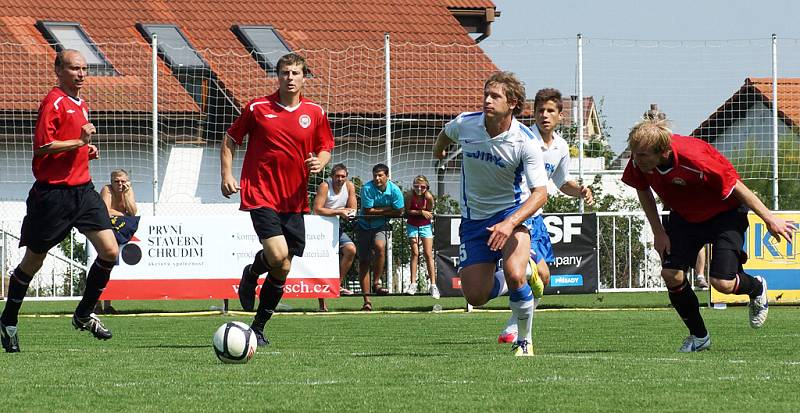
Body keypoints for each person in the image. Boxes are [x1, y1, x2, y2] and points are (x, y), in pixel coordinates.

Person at [622, 117, 794, 352]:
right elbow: (643, 190)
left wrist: (769, 218)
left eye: (642, 154)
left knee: (722, 283)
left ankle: (756, 288)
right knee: (671, 275)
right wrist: (658, 231)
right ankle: (699, 337)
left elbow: (737, 187)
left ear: (662, 152)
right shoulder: (638, 162)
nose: (635, 159)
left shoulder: (696, 157)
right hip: (685, 217)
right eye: (634, 153)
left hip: (725, 214)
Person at [1, 49, 118, 353]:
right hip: (53, 196)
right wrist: (80, 142)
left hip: (83, 191)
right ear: (59, 71)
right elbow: (41, 147)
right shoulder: (52, 102)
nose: (82, 74)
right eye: (75, 68)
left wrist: (86, 150)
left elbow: (71, 145)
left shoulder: (81, 104)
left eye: (84, 68)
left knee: (110, 250)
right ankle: (9, 319)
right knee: (33, 262)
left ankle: (83, 313)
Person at [220, 52, 334, 346]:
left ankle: (257, 327)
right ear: (277, 76)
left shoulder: (316, 112)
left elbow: (325, 148)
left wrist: (321, 162)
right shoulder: (258, 108)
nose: (290, 78)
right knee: (278, 254)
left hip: (294, 199)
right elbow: (231, 138)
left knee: (283, 266)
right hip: (260, 193)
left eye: (296, 73)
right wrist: (227, 175)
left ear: (304, 77)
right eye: (285, 73)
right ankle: (251, 273)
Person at [433, 71, 549, 356]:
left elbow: (540, 193)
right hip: (474, 220)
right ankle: (521, 273)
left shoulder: (525, 141)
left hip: (512, 215)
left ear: (512, 103)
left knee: (514, 274)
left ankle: (524, 340)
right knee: (475, 295)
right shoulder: (466, 124)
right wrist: (438, 153)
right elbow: (445, 135)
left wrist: (509, 224)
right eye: (486, 94)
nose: (487, 100)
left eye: (495, 96)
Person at [496, 88, 595, 343]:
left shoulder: (561, 146)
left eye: (551, 111)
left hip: (536, 218)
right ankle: (513, 320)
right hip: (516, 214)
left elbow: (562, 183)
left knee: (544, 277)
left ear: (560, 116)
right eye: (540, 110)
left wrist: (581, 190)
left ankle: (513, 323)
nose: (545, 115)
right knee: (525, 272)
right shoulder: (523, 138)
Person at [355, 163, 404, 311]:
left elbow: (400, 211)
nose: (377, 178)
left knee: (380, 247)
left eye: (380, 175)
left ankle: (376, 282)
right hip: (363, 226)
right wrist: (389, 209)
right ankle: (367, 301)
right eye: (375, 175)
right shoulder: (367, 188)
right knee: (364, 262)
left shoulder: (395, 190)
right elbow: (368, 212)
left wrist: (380, 211)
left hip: (380, 226)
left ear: (387, 176)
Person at [312, 163, 357, 312]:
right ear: (332, 176)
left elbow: (352, 209)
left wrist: (345, 212)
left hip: (335, 227)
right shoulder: (325, 186)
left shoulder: (349, 186)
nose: (340, 179)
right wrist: (339, 212)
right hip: (319, 228)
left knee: (350, 249)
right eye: (337, 176)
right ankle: (322, 304)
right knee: (323, 262)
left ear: (346, 177)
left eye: (343, 176)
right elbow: (317, 209)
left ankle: (337, 284)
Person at [95, 169, 139, 315]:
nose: (120, 184)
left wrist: (126, 195)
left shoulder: (128, 191)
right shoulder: (106, 190)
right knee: (100, 265)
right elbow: (105, 211)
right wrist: (123, 215)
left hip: (118, 231)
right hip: (104, 230)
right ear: (111, 181)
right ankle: (96, 304)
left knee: (111, 267)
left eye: (123, 181)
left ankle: (108, 304)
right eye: (116, 181)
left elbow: (132, 212)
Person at [404, 175, 438, 299]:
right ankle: (413, 283)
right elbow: (407, 211)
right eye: (416, 186)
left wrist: (423, 213)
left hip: (425, 226)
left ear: (427, 187)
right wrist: (420, 212)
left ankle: (433, 285)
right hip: (412, 225)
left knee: (428, 254)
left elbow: (429, 213)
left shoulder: (428, 197)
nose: (419, 189)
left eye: (422, 187)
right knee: (415, 253)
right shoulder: (409, 195)